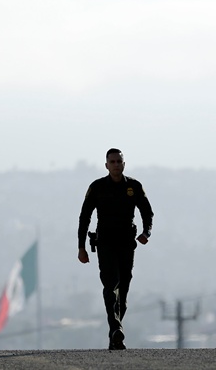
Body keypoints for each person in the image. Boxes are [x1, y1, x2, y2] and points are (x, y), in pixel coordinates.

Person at [77, 148, 154, 350]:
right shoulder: (97, 187)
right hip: (105, 243)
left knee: (124, 292)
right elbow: (84, 217)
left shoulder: (134, 187)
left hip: (127, 243)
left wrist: (146, 233)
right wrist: (81, 247)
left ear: (124, 164)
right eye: (112, 162)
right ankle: (116, 329)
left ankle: (114, 334)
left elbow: (147, 212)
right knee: (111, 286)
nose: (116, 165)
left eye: (119, 161)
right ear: (106, 165)